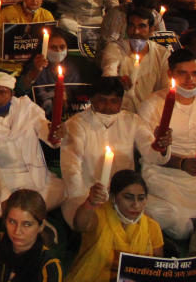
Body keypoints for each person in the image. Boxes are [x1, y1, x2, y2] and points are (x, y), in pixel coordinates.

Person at [138, 49, 196, 239]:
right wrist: (179, 162)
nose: (190, 80)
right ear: (170, 74)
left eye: (195, 73)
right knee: (175, 222)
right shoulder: (152, 104)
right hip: (161, 174)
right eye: (182, 73)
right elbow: (146, 150)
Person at [60, 78, 170, 227]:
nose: (108, 107)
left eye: (114, 101)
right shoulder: (76, 124)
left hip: (126, 197)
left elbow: (153, 155)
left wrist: (161, 146)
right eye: (102, 100)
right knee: (96, 226)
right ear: (91, 100)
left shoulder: (132, 121)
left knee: (157, 220)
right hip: (86, 194)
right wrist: (90, 201)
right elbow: (71, 170)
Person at [0, 72, 64, 217]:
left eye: (1, 92)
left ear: (12, 94)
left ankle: (13, 217)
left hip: (34, 178)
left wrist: (54, 134)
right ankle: (27, 216)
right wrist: (4, 196)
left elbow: (45, 129)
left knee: (63, 188)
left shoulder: (27, 108)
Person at [68, 170, 164, 282]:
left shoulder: (152, 227)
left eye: (141, 198)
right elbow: (79, 225)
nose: (136, 205)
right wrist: (90, 202)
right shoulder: (100, 217)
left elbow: (157, 268)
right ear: (113, 197)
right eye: (128, 197)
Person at [0, 189, 63, 282]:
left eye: (27, 224)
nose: (17, 231)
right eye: (12, 222)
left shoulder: (49, 267)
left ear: (41, 226)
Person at [99, 7, 170, 112]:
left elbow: (165, 89)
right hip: (120, 114)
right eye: (132, 26)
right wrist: (116, 81)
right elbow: (109, 70)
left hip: (150, 114)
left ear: (151, 30)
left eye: (142, 26)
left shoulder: (162, 54)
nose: (136, 31)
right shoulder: (115, 48)